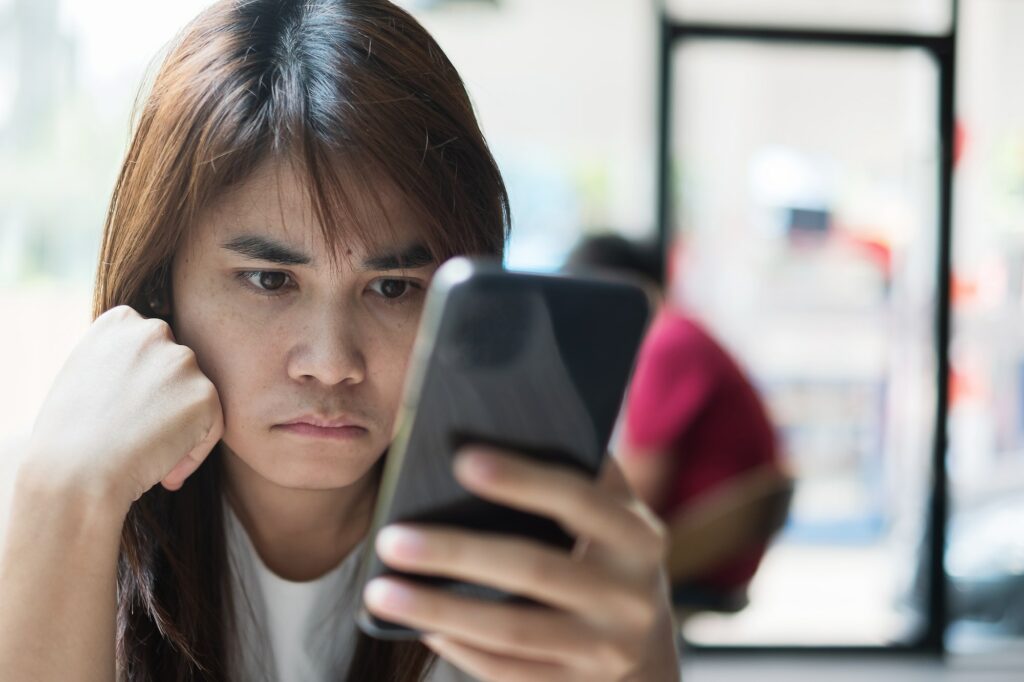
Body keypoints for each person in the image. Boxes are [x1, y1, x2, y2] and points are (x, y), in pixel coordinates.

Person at [0, 3, 680, 681]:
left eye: (392, 288)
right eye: (270, 280)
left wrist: (646, 666)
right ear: (159, 285)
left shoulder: (527, 546)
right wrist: (65, 501)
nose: (331, 364)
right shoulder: (58, 500)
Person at [566, 234, 789, 613]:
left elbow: (642, 488)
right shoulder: (682, 331)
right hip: (718, 539)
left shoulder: (666, 344)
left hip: (703, 549)